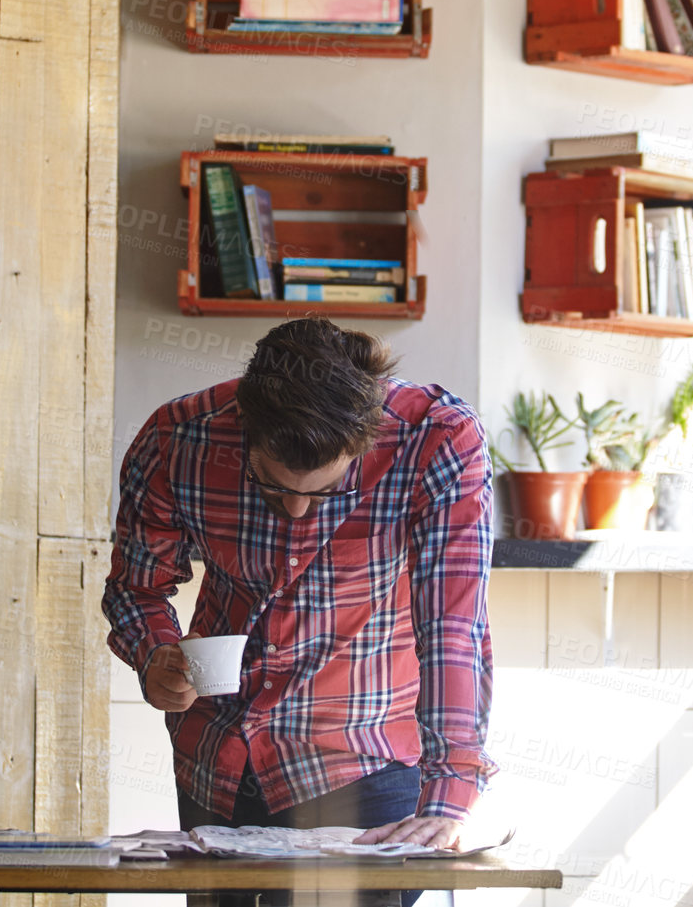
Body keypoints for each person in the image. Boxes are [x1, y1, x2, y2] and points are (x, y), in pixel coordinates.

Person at [103, 318, 497, 904]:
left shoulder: (436, 440)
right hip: (217, 755)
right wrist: (153, 652)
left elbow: (452, 627)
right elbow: (136, 588)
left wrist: (449, 792)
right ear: (246, 425)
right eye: (271, 484)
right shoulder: (177, 438)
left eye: (318, 492)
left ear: (363, 440)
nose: (294, 509)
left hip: (364, 758)